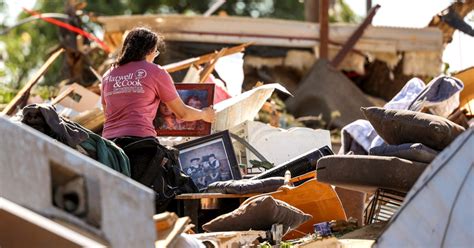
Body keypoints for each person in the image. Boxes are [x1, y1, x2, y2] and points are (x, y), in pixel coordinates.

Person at [101, 27, 215, 140]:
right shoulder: (155, 72)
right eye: (155, 51)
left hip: (109, 145)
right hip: (139, 142)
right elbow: (183, 114)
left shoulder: (108, 75)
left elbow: (107, 115)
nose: (155, 56)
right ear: (150, 51)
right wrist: (204, 114)